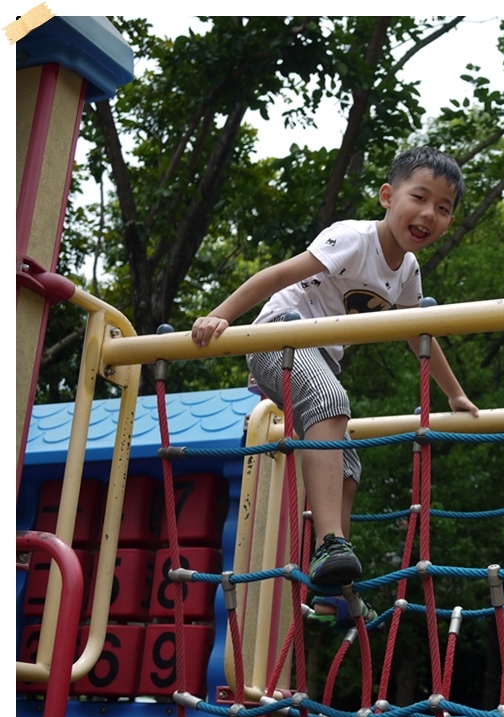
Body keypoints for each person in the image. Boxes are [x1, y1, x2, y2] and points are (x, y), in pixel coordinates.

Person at [191, 146, 479, 625]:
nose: (429, 214)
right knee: (330, 400)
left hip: (316, 356)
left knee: (348, 465)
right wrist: (220, 317)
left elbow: (418, 333)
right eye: (420, 197)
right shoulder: (352, 238)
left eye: (444, 208)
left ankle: (332, 589)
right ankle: (330, 544)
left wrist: (453, 392)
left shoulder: (406, 271)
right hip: (278, 337)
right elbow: (278, 274)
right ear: (388, 196)